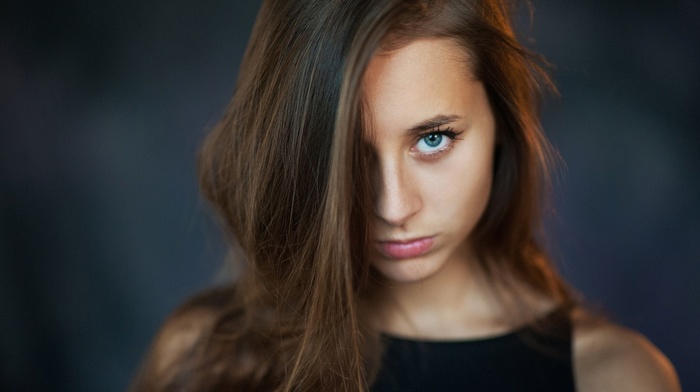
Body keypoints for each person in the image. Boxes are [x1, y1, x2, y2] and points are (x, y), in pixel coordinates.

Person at [130, 0, 681, 391]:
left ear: (501, 122)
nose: (392, 208)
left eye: (433, 138)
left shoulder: (615, 378)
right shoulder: (204, 358)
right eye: (349, 155)